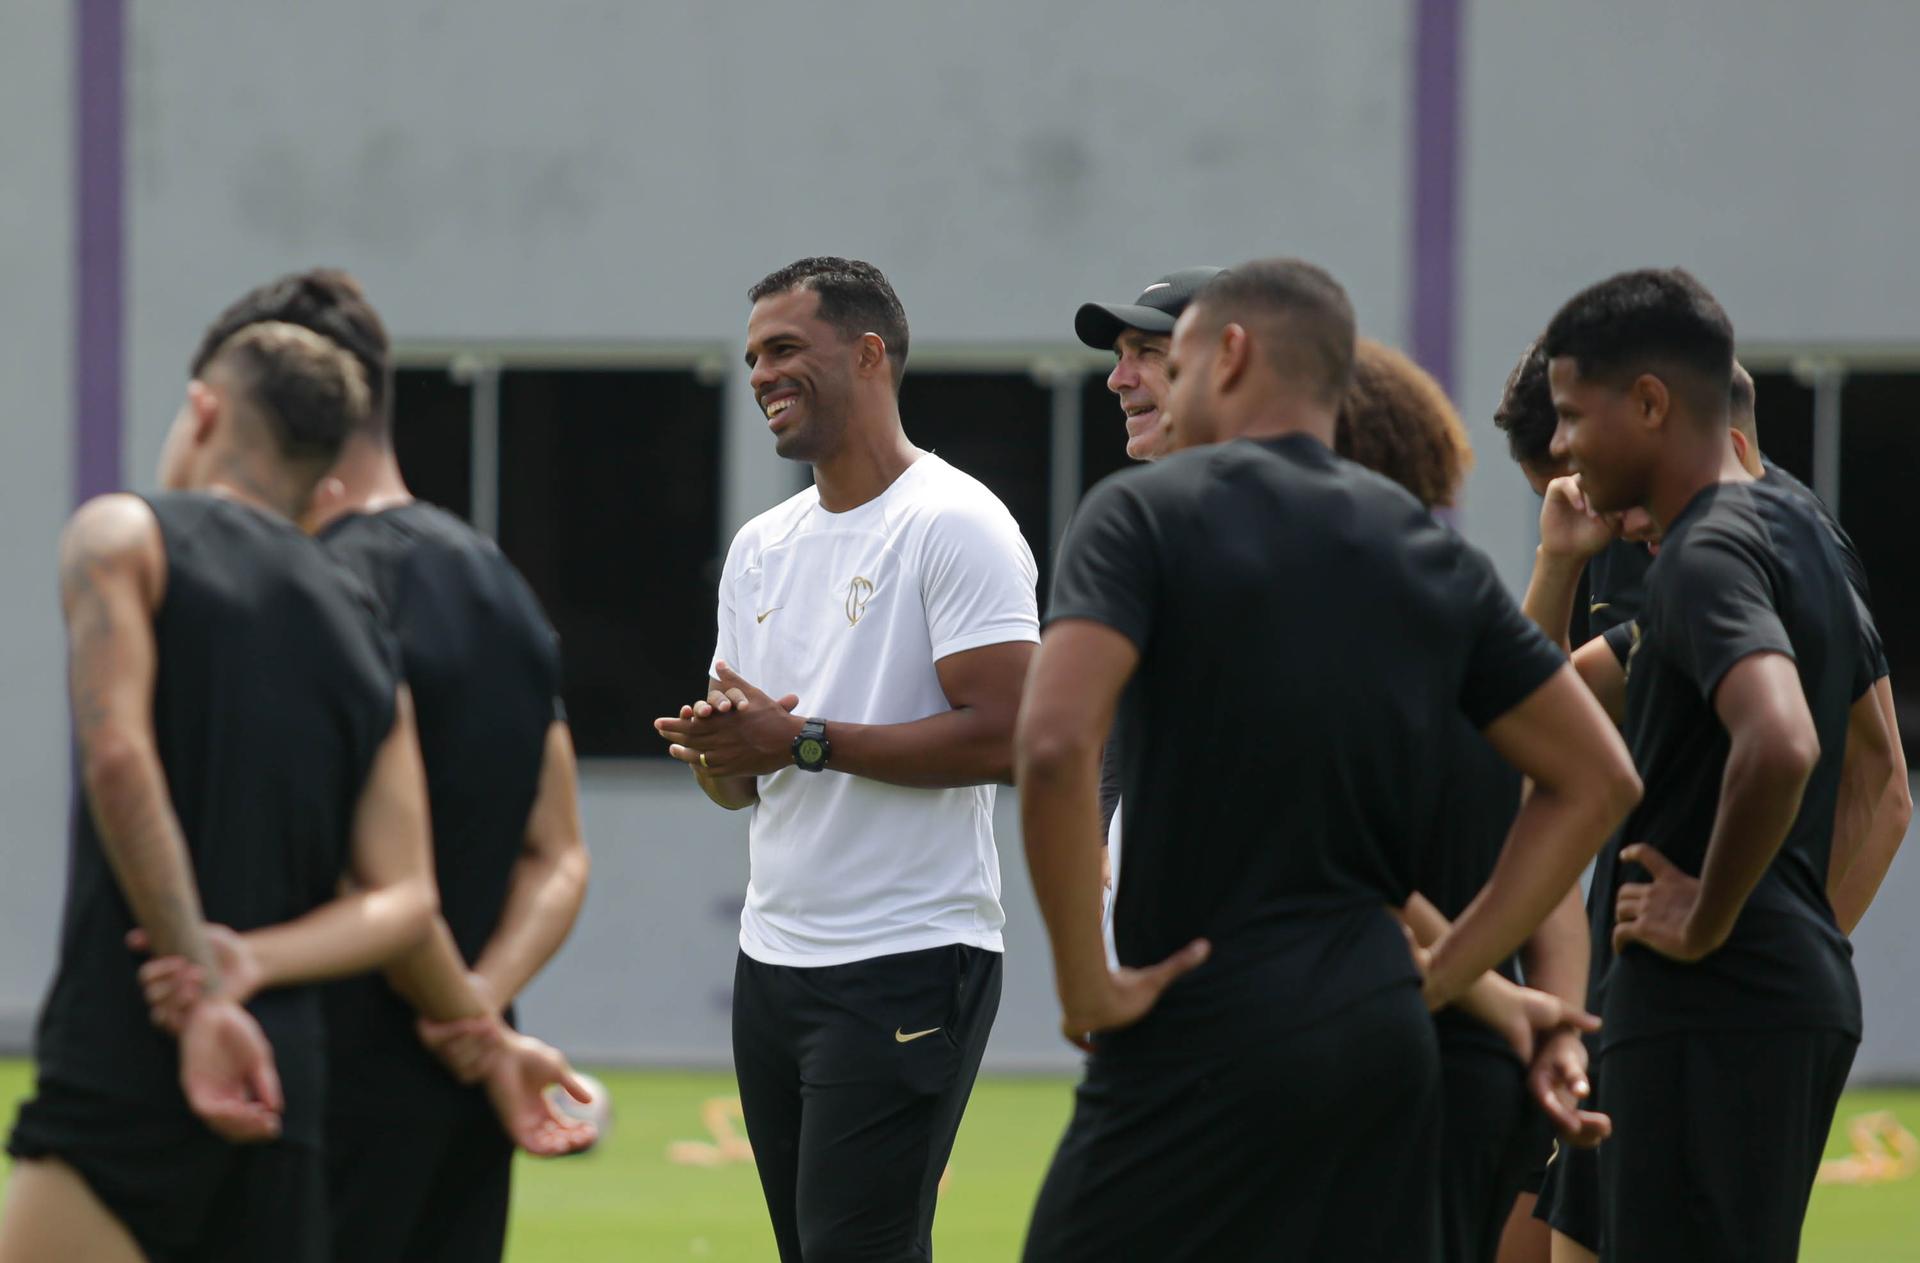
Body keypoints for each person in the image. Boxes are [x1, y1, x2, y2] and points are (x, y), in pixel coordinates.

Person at [1016, 260, 1640, 1261]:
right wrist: (1461, 969)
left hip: (1197, 1021)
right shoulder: (1429, 556)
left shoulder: (1143, 513)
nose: (1143, 383)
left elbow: (1050, 746)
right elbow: (1596, 778)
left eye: (1166, 359)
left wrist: (1085, 984)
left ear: (1228, 354)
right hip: (1378, 1038)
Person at [0, 321, 572, 1263]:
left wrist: (197, 989)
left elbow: (118, 760)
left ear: (204, 410)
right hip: (287, 1092)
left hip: (127, 1056)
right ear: (328, 470)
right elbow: (402, 900)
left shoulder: (125, 535)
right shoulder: (361, 624)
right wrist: (248, 967)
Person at [175, 269, 597, 1263]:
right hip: (456, 1099)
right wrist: (483, 1013)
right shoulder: (499, 586)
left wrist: (466, 1021)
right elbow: (560, 854)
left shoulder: (307, 595)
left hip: (315, 1078)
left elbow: (379, 881)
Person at [653, 257, 1038, 1260]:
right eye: (750, 359)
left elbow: (1008, 735)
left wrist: (805, 742)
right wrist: (718, 751)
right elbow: (743, 788)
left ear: (869, 355)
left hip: (909, 957)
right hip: (774, 962)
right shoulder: (761, 548)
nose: (760, 375)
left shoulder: (955, 522)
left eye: (784, 350)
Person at [1525, 268, 1866, 1262]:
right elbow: (1544, 717)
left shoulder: (1706, 556)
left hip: (1708, 1003)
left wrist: (1704, 908)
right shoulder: (1787, 528)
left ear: (1649, 404)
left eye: (1570, 415)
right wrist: (1563, 562)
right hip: (1757, 1003)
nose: (1560, 447)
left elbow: (1783, 739)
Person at [1334, 339, 1600, 1263]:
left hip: (1365, 1060)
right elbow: (1557, 835)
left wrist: (1481, 993)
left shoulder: (1311, 634)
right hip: (1484, 1069)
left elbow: (1339, 855)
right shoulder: (1472, 608)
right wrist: (1553, 1019)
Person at [1073, 266, 1222, 947]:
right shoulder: (1143, 528)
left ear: (1229, 363)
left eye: (1148, 355)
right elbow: (1105, 724)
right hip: (1143, 923)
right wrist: (1101, 835)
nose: (1118, 378)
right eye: (1119, 355)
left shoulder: (1340, 530)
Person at [1495, 340, 1653, 644]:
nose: (1624, 524)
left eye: (1593, 491)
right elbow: (1541, 682)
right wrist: (1557, 560)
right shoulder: (1583, 538)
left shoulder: (1718, 558)